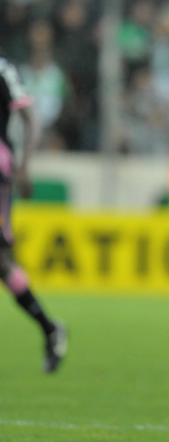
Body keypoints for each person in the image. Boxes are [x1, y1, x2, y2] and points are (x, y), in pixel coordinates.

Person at [0, 55, 67, 372]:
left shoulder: (3, 69)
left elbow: (32, 118)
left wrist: (25, 165)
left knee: (2, 261)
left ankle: (50, 328)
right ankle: (50, 328)